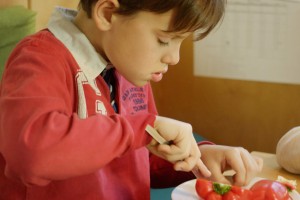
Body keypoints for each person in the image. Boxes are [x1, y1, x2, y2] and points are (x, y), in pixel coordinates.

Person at [0, 0, 263, 199]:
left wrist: (197, 157)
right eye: (164, 40)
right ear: (108, 13)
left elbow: (139, 154)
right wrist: (142, 130)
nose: (174, 58)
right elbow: (32, 154)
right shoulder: (39, 59)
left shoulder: (126, 64)